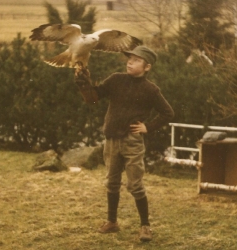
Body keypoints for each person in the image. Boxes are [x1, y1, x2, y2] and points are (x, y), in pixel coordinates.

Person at [74, 46, 174, 242]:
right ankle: (112, 222)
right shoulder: (115, 79)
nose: (130, 62)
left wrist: (148, 127)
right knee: (111, 182)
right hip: (111, 139)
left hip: (132, 142)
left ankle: (145, 226)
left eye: (136, 60)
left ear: (147, 67)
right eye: (129, 59)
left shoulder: (151, 90)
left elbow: (168, 113)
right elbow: (93, 98)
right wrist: (83, 85)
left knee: (135, 184)